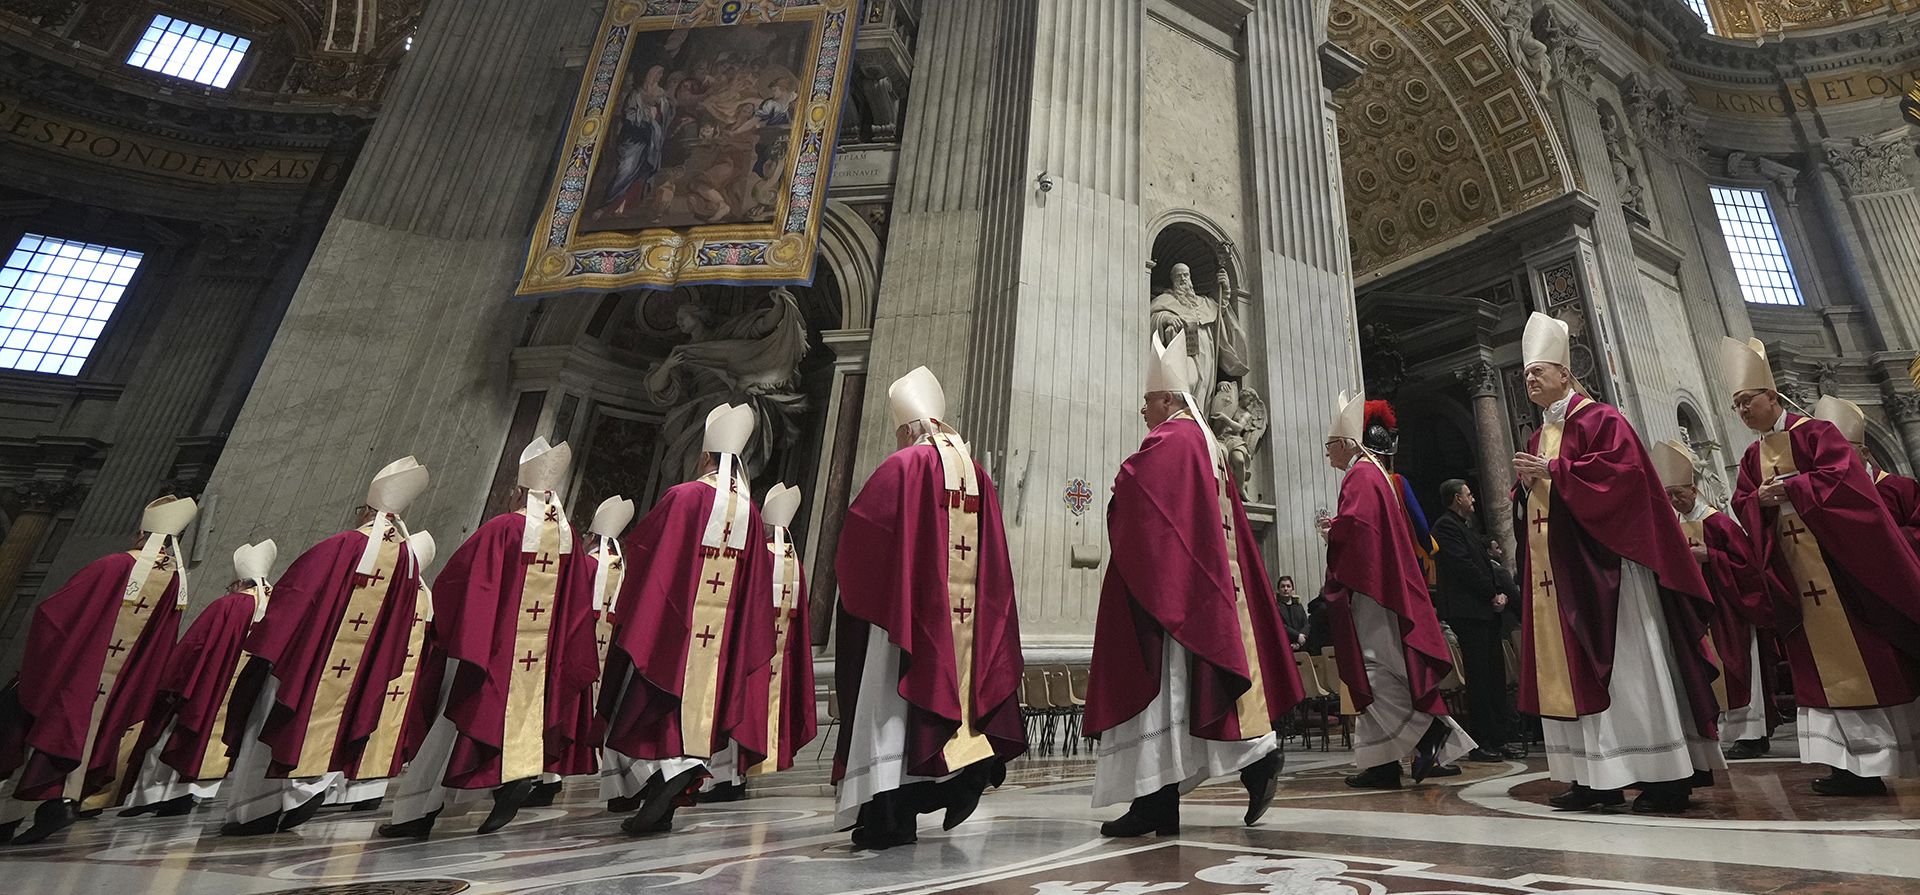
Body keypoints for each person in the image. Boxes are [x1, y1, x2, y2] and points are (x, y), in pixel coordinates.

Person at [1086, 332, 1298, 837]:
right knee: (1185, 697)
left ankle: (1245, 764)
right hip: (1200, 588)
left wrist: (1117, 488)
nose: (1143, 410)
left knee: (1168, 694)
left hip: (1175, 595)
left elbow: (1137, 493)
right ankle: (1160, 802)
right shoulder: (1208, 444)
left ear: (1169, 399)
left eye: (1147, 400)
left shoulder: (1172, 439)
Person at [1512, 313, 1722, 814]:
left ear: (1566, 372)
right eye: (1525, 375)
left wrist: (1556, 472)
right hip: (1561, 576)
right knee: (1574, 671)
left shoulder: (1602, 419)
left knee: (1630, 668)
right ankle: (1594, 776)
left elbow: (1624, 480)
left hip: (1612, 571)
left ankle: (1664, 776)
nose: (1531, 380)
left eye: (1539, 370)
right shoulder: (1537, 437)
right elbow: (1539, 501)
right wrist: (1526, 490)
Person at [834, 366, 1026, 850]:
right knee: (941, 703)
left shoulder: (903, 467)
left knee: (891, 710)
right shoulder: (977, 474)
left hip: (907, 621)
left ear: (907, 429)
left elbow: (860, 534)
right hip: (961, 622)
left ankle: (891, 814)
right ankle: (956, 777)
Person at [1721, 338, 1920, 795]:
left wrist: (1792, 489)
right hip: (1797, 577)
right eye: (1735, 405)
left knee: (1862, 659)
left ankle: (1872, 764)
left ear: (1772, 396)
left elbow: (1846, 483)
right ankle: (1842, 766)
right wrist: (1760, 501)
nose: (1742, 411)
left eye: (1747, 400)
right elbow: (1743, 501)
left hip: (1839, 570)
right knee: (1816, 668)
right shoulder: (1752, 456)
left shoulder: (1817, 434)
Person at [377, 438, 599, 838]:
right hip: (537, 660)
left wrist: (453, 635)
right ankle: (514, 775)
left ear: (517, 492)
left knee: (452, 723)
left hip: (487, 652)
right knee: (511, 722)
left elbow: (459, 583)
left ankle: (415, 812)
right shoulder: (568, 542)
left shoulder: (502, 528)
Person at [221, 458, 432, 836]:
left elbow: (295, 595)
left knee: (271, 722)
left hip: (308, 661)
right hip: (354, 671)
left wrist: (266, 645)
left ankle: (255, 811)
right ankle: (309, 787)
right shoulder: (405, 561)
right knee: (328, 723)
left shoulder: (342, 544)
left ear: (367, 510)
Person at [598, 405, 774, 835]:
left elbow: (643, 553)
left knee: (646, 702)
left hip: (672, 627)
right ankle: (672, 791)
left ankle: (670, 776)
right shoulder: (749, 512)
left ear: (704, 456)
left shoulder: (683, 496)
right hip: (718, 638)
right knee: (695, 704)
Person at [0, 496, 196, 846]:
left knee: (40, 731)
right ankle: (60, 804)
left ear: (141, 534)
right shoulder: (174, 583)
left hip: (77, 675)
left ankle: (14, 817)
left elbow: (56, 616)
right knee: (88, 733)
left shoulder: (113, 565)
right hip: (115, 684)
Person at [1321, 391, 1473, 789]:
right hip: (1384, 586)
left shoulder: (1360, 474)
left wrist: (1332, 533)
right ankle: (1382, 764)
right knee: (1384, 671)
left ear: (1348, 443)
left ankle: (1429, 733)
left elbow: (1358, 530)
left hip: (1372, 591)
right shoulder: (1377, 475)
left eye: (1330, 445)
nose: (1327, 454)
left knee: (1374, 671)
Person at [120, 541, 278, 817]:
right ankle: (191, 794)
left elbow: (194, 647)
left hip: (203, 690)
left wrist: (170, 682)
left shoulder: (228, 605)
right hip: (237, 697)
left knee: (172, 734)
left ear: (240, 582)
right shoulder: (272, 608)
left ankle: (152, 796)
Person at [1652, 439, 1777, 761]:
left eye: (1679, 493)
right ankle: (1726, 731)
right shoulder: (1675, 527)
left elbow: (1750, 567)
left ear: (1694, 489)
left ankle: (1752, 733)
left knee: (1739, 667)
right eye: (1668, 496)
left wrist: (1713, 557)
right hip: (1698, 612)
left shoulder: (1718, 522)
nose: (1675, 501)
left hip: (1729, 608)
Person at [1433, 480, 1517, 762]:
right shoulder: (1445, 527)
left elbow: (1483, 564)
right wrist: (1492, 593)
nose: (1473, 499)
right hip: (1469, 612)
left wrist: (1498, 594)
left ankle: (1498, 737)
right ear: (1457, 498)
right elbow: (1464, 567)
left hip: (1484, 610)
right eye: (1469, 495)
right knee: (1479, 678)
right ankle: (1481, 741)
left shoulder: (1464, 527)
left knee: (1494, 675)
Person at [741, 483, 817, 782]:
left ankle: (732, 775)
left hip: (756, 650)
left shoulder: (764, 557)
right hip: (781, 654)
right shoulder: (793, 560)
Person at [1814, 396, 1920, 558]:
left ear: (1864, 453)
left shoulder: (1901, 488)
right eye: (1828, 455)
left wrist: (1883, 543)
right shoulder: (1826, 499)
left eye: (1842, 451)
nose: (1836, 461)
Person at [1276, 577, 1308, 651]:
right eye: (1283, 586)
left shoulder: (1298, 606)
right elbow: (1281, 625)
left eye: (1288, 586)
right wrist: (1297, 636)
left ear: (1292, 589)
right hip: (1284, 647)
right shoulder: (1275, 607)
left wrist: (1300, 639)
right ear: (1278, 590)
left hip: (1301, 646)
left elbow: (1306, 624)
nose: (1286, 589)